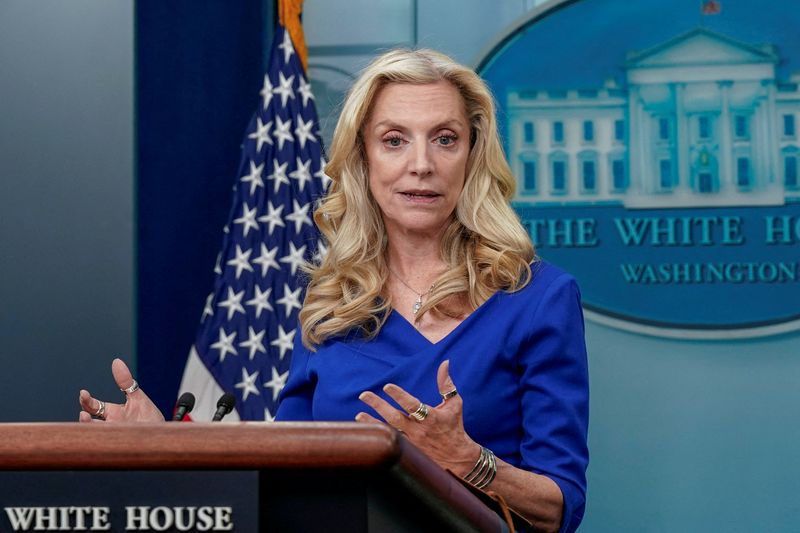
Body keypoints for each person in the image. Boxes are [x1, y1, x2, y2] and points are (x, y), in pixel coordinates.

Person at [79, 49, 589, 533]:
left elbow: (558, 507)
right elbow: (287, 463)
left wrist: (467, 460)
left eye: (445, 138)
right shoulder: (332, 303)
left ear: (472, 155)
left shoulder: (537, 297)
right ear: (363, 158)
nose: (421, 164)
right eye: (394, 140)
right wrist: (167, 446)